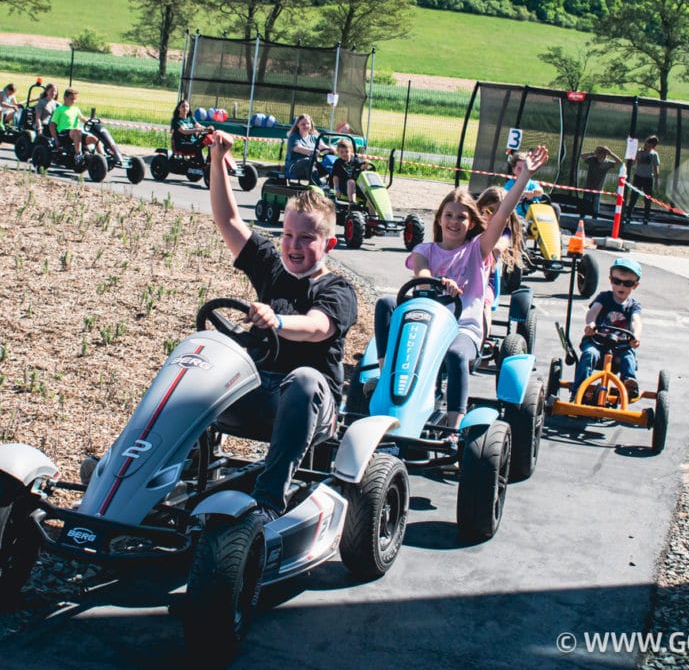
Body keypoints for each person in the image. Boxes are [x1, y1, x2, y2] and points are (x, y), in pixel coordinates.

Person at [206, 130, 358, 519]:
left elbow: (318, 326)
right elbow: (227, 219)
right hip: (256, 392)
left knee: (304, 380)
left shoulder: (337, 289)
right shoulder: (274, 269)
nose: (293, 245)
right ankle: (141, 474)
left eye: (306, 238)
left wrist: (277, 320)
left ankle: (268, 502)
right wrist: (217, 159)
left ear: (329, 245)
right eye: (288, 234)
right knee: (199, 360)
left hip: (309, 405)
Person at [372, 147, 549, 432]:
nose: (454, 222)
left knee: (455, 355)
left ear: (471, 224)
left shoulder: (476, 250)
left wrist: (525, 176)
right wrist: (437, 282)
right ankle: (384, 374)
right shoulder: (424, 250)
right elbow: (422, 272)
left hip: (462, 327)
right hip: (426, 323)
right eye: (449, 215)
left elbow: (503, 214)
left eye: (461, 218)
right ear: (439, 218)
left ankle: (453, 427)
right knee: (385, 303)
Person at [573, 257, 644, 396]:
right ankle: (580, 389)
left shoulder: (633, 306)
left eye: (627, 283)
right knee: (589, 354)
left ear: (635, 285)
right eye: (617, 281)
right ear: (611, 280)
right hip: (597, 342)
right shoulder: (604, 297)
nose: (621, 286)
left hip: (620, 346)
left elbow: (636, 321)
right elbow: (593, 311)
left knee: (628, 356)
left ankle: (628, 384)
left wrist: (636, 335)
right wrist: (591, 324)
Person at [475, 184, 526, 342]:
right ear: (481, 209)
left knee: (484, 303)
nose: (493, 217)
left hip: (486, 280)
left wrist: (493, 250)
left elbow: (500, 246)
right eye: (490, 211)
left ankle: (482, 342)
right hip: (462, 275)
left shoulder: (505, 232)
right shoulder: (473, 227)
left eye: (499, 213)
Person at [625, 135, 661, 224]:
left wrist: (656, 181)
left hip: (648, 178)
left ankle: (646, 217)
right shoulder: (639, 152)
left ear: (653, 147)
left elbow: (656, 168)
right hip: (638, 177)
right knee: (634, 196)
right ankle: (628, 215)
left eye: (648, 146)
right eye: (645, 145)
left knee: (647, 199)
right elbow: (633, 163)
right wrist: (632, 157)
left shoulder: (654, 154)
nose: (646, 147)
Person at [580, 146, 621, 219]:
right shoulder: (592, 160)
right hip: (588, 187)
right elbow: (582, 155)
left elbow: (619, 162)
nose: (598, 155)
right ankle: (581, 219)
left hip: (598, 188)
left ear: (605, 154)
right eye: (598, 153)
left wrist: (611, 154)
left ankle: (595, 220)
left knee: (595, 206)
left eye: (600, 153)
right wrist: (592, 153)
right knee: (585, 204)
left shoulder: (607, 163)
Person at [502, 150, 546, 218]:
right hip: (517, 217)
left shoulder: (531, 183)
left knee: (555, 208)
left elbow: (541, 191)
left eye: (525, 169)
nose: (522, 172)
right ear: (513, 170)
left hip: (533, 216)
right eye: (519, 169)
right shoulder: (510, 184)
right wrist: (522, 194)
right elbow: (505, 198)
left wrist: (533, 193)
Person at [285, 114, 331, 180]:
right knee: (308, 162)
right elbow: (298, 148)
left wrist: (330, 150)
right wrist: (313, 152)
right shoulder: (293, 136)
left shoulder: (314, 137)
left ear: (311, 125)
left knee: (331, 164)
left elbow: (322, 147)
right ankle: (317, 184)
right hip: (295, 166)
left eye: (308, 124)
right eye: (303, 124)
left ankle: (334, 186)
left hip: (313, 165)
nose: (306, 126)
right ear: (298, 125)